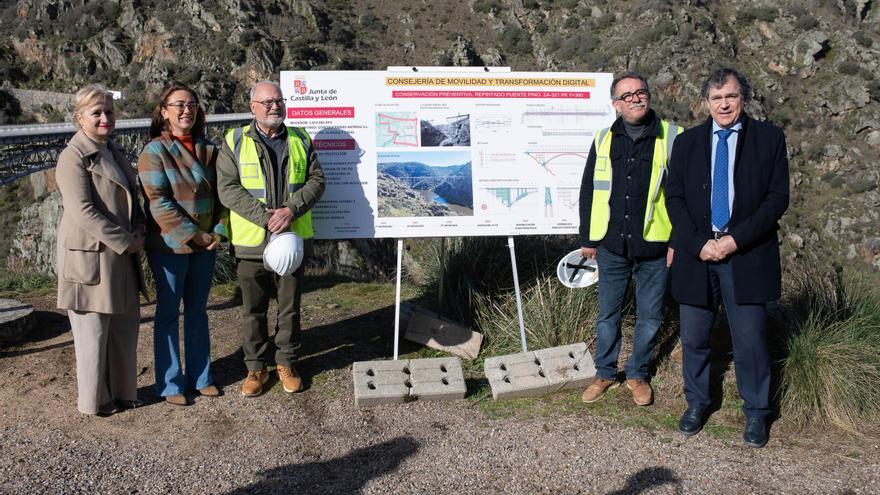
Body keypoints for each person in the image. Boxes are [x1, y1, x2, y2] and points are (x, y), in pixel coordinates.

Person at [665, 68, 789, 448]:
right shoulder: (687, 143)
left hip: (746, 254)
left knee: (750, 339)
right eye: (717, 98)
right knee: (695, 336)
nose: (724, 104)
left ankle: (756, 412)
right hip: (697, 254)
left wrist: (734, 240)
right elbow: (675, 198)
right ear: (706, 102)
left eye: (731, 97)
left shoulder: (768, 138)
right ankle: (697, 402)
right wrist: (698, 242)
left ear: (743, 99)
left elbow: (776, 200)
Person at [578, 72, 681, 406]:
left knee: (650, 316)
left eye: (641, 92)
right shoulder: (603, 138)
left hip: (654, 246)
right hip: (612, 246)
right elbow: (589, 190)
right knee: (608, 314)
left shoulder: (672, 138)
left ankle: (637, 374)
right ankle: (605, 373)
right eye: (627, 95)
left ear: (649, 96)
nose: (636, 98)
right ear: (616, 105)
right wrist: (588, 238)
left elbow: (685, 196)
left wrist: (676, 241)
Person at [217, 81, 325, 397]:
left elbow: (318, 181)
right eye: (267, 102)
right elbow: (227, 188)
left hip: (291, 241)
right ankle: (255, 368)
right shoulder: (234, 140)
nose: (274, 106)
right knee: (253, 308)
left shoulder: (300, 139)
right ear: (253, 108)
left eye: (278, 100)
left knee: (289, 307)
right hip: (252, 242)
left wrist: (290, 210)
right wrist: (267, 217)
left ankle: (287, 362)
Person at [56, 84, 146, 415]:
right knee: (93, 333)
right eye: (97, 112)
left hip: (118, 256)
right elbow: (83, 212)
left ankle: (124, 392)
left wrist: (139, 227)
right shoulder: (72, 157)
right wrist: (126, 240)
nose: (105, 117)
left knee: (123, 328)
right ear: (79, 118)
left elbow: (130, 200)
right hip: (91, 259)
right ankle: (95, 401)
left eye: (109, 111)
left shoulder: (114, 151)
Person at [138, 81, 228, 406]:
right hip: (169, 245)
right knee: (167, 312)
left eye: (191, 104)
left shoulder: (208, 149)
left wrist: (218, 230)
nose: (186, 110)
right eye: (178, 105)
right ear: (164, 112)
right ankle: (170, 382)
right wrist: (196, 234)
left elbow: (223, 194)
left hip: (205, 245)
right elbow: (157, 201)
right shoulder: (154, 151)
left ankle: (201, 377)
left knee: (198, 311)